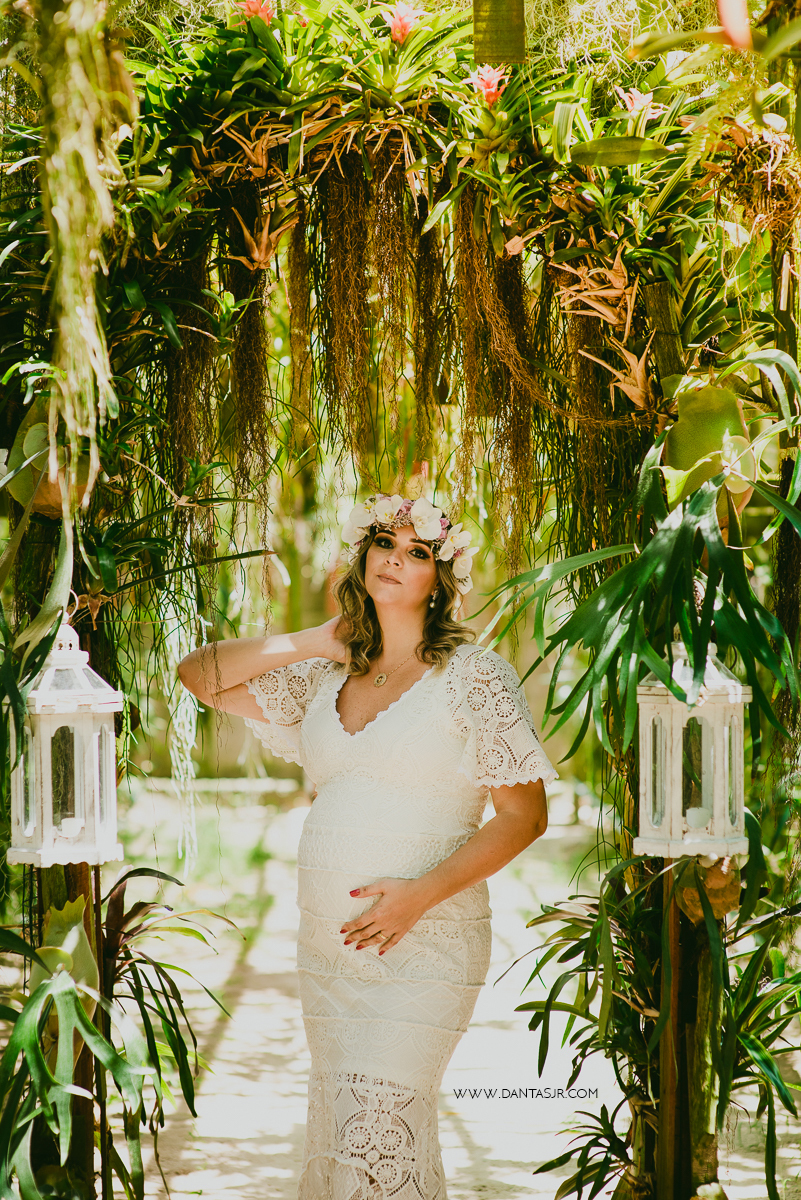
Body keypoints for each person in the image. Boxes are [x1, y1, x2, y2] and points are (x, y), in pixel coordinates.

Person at [178, 493, 555, 1200]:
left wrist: (418, 896)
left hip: (424, 944)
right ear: (363, 554)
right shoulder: (324, 677)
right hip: (329, 951)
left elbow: (523, 817)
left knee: (377, 1129)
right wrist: (314, 641)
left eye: (419, 552)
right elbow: (199, 674)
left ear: (440, 581)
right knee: (345, 1132)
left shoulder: (474, 676)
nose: (396, 558)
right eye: (385, 541)